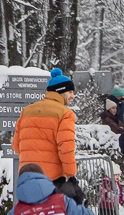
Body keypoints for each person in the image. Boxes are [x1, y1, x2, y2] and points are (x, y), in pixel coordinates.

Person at [12, 68, 82, 202]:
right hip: (52, 179)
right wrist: (71, 175)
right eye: (70, 92)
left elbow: (16, 146)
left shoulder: (26, 111)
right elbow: (66, 148)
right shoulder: (65, 114)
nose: (73, 96)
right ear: (60, 91)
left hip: (27, 178)